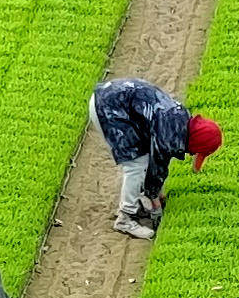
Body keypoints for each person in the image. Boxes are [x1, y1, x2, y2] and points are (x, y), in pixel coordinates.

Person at [89, 78, 222, 238]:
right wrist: (154, 198)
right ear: (194, 143)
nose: (192, 155)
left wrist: (155, 192)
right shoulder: (169, 133)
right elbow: (158, 165)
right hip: (109, 108)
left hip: (115, 97)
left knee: (143, 157)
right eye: (196, 152)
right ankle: (125, 218)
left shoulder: (180, 121)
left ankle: (138, 199)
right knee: (136, 165)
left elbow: (157, 160)